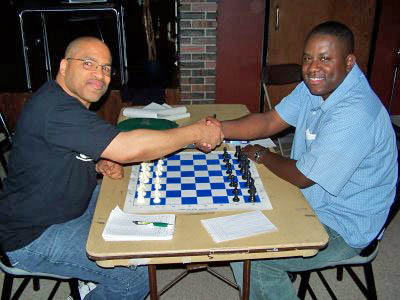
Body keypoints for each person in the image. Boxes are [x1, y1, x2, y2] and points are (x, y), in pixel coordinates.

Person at [0, 36, 223, 300]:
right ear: (63, 67)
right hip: (33, 235)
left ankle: (92, 281)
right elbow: (129, 148)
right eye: (88, 63)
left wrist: (97, 160)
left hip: (69, 206)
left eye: (106, 68)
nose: (100, 74)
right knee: (133, 277)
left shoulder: (65, 101)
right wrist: (195, 132)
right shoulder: (55, 109)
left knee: (140, 203)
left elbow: (58, 151)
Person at [212, 21, 398, 299]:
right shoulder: (317, 85)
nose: (313, 68)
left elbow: (302, 176)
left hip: (344, 224)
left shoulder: (355, 113)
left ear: (349, 62)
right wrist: (217, 129)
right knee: (236, 208)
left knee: (252, 260)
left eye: (325, 58)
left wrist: (263, 155)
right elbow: (269, 121)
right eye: (308, 58)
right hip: (311, 198)